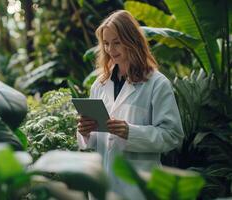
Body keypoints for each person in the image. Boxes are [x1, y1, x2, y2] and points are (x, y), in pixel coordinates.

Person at [76, 10, 184, 199]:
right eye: (106, 43)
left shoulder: (157, 84)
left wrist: (130, 132)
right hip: (103, 186)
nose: (111, 49)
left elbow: (173, 136)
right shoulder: (99, 84)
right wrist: (85, 132)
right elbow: (96, 140)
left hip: (138, 188)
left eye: (117, 42)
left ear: (131, 40)